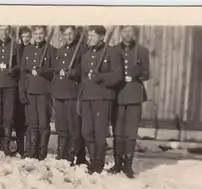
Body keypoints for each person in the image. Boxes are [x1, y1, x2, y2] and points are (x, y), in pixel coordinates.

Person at [78, 26, 123, 174]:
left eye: (92, 36)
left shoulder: (111, 53)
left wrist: (102, 77)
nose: (89, 38)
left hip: (102, 99)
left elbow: (117, 75)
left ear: (102, 37)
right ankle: (93, 159)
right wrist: (80, 99)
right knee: (86, 132)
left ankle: (98, 164)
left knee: (99, 132)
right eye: (88, 35)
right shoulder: (86, 55)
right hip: (87, 98)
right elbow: (83, 79)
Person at [110, 25, 150, 178]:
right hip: (118, 95)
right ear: (120, 33)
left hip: (134, 95)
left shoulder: (142, 51)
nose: (127, 35)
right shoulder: (113, 50)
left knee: (130, 133)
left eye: (130, 31)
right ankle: (117, 163)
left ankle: (128, 165)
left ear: (134, 33)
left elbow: (146, 74)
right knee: (118, 132)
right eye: (124, 31)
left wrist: (136, 73)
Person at [51, 25, 87, 164]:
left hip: (73, 93)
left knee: (74, 127)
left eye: (70, 34)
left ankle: (72, 155)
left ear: (75, 34)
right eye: (65, 35)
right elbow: (55, 71)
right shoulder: (60, 51)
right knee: (61, 126)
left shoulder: (82, 49)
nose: (68, 37)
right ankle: (62, 154)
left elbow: (85, 71)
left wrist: (74, 73)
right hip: (59, 93)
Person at [20, 25, 55, 160]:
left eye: (41, 33)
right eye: (36, 34)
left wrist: (44, 71)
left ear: (45, 34)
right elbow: (23, 72)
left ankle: (42, 152)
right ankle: (32, 150)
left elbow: (54, 72)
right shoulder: (28, 50)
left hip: (44, 92)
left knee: (43, 123)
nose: (38, 36)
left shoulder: (51, 50)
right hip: (30, 91)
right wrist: (22, 91)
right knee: (32, 123)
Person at [0, 25, 21, 156]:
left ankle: (6, 145)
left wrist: (14, 70)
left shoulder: (15, 46)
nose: (4, 32)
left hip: (9, 85)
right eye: (1, 29)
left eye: (6, 29)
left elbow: (20, 64)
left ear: (10, 31)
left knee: (8, 115)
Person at [15, 26, 32, 157]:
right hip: (16, 87)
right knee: (18, 119)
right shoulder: (16, 49)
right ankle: (20, 147)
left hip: (29, 86)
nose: (25, 39)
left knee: (29, 119)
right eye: (23, 36)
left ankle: (29, 146)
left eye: (27, 36)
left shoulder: (32, 49)